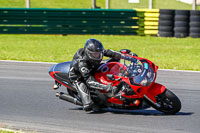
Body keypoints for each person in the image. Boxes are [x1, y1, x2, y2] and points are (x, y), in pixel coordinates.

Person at [68, 39, 136, 111]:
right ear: (88, 53)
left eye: (99, 54)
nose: (97, 56)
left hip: (92, 68)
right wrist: (107, 87)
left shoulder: (97, 53)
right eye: (95, 54)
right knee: (88, 105)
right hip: (79, 77)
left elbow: (111, 53)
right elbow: (89, 81)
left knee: (114, 61)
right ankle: (88, 101)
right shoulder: (82, 63)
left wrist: (128, 57)